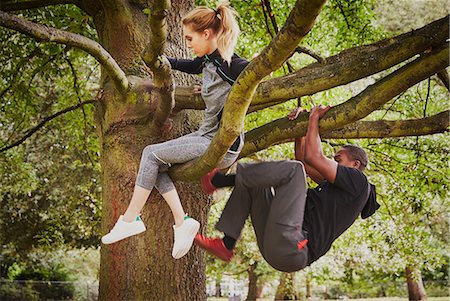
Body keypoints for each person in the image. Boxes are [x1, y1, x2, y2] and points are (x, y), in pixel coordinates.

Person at [101, 2, 249, 260]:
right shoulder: (209, 61)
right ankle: (182, 222)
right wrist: (161, 62)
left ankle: (130, 218)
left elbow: (257, 76)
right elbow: (191, 65)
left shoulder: (233, 65)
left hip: (222, 143)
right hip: (206, 135)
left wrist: (262, 68)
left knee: (150, 154)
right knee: (155, 166)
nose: (188, 43)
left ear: (207, 34)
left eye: (190, 38)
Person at [195, 105, 380, 272]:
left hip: (295, 248)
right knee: (257, 184)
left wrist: (313, 118)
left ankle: (219, 181)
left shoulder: (359, 182)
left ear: (356, 164)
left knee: (294, 170)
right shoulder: (336, 188)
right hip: (278, 247)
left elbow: (312, 159)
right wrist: (299, 131)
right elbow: (304, 164)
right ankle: (227, 244)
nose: (333, 162)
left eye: (338, 159)